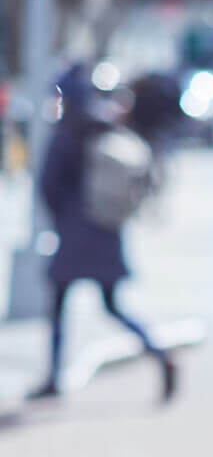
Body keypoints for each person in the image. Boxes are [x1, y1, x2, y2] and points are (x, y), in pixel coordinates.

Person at [27, 63, 175, 404]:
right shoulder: (103, 125)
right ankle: (157, 350)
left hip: (76, 232)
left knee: (59, 306)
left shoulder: (67, 131)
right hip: (106, 230)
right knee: (112, 306)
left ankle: (52, 376)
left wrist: (60, 222)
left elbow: (49, 184)